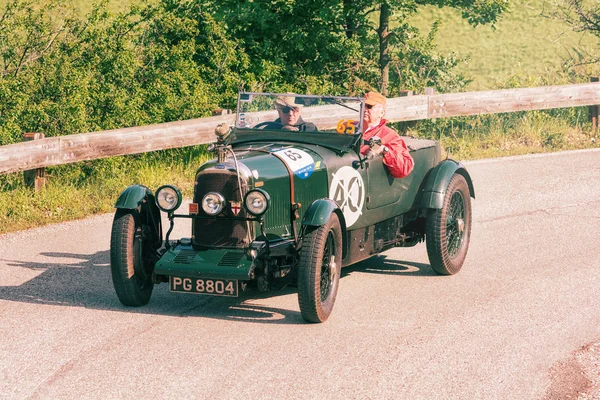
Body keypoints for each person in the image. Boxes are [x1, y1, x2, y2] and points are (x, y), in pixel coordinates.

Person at [360, 91, 414, 179]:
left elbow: (405, 167)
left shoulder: (389, 135)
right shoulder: (349, 128)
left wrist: (384, 150)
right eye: (362, 106)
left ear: (381, 113)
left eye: (369, 106)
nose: (364, 109)